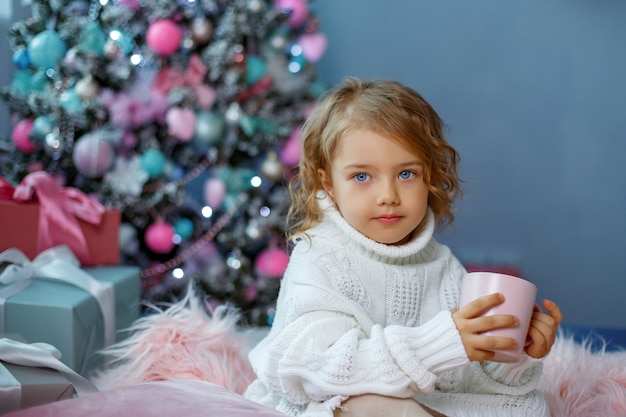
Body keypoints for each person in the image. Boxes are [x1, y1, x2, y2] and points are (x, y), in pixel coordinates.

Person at [244, 77, 562, 417]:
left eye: (406, 174)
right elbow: (316, 372)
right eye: (362, 177)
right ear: (329, 184)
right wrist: (437, 344)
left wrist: (515, 354)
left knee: (527, 408)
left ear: (430, 176)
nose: (388, 196)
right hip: (327, 400)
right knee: (365, 406)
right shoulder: (321, 258)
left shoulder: (443, 266)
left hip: (420, 404)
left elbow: (465, 382)